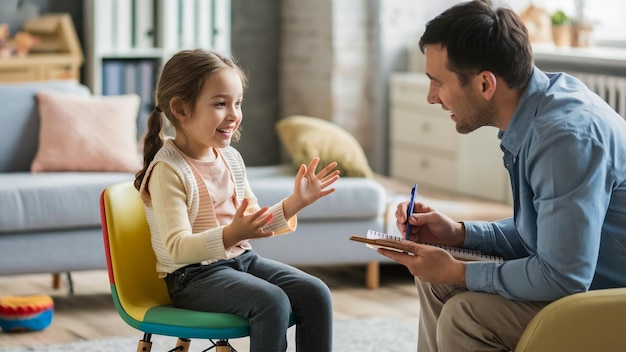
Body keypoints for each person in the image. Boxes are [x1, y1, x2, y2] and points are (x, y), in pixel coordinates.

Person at [377, 1, 626, 351]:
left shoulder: (564, 139)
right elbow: (542, 236)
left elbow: (562, 276)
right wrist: (459, 235)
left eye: (438, 83)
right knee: (435, 282)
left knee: (465, 315)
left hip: (611, 300)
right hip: (588, 284)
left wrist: (458, 271)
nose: (432, 98)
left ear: (484, 84)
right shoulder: (540, 109)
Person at [134, 49, 340, 352]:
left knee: (316, 292)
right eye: (220, 104)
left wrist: (296, 201)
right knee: (272, 301)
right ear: (180, 109)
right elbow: (176, 248)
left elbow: (254, 220)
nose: (234, 115)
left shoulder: (231, 158)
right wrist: (232, 234)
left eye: (238, 103)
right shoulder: (168, 171)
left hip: (241, 261)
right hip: (192, 277)